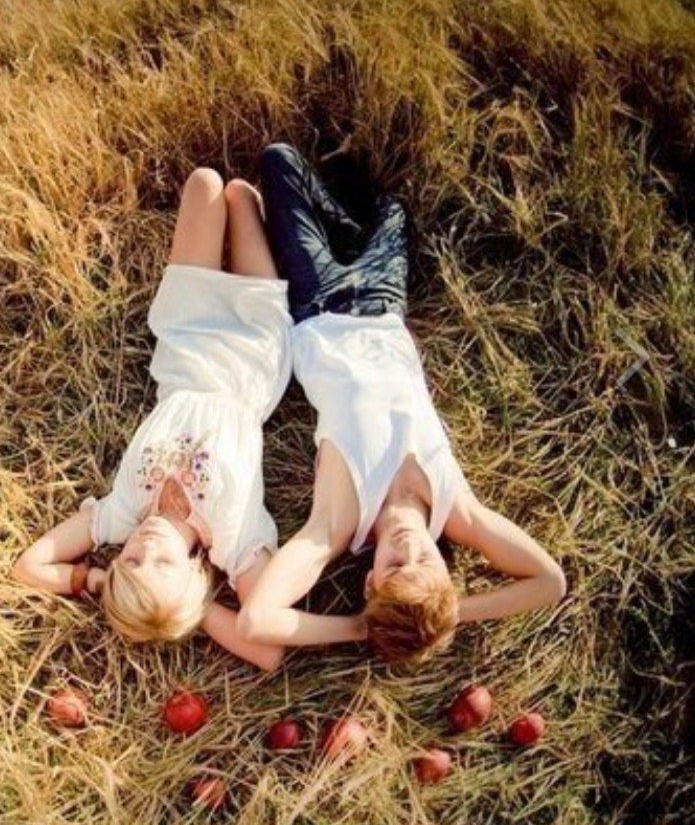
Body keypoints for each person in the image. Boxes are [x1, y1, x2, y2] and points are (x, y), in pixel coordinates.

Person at [238, 143, 567, 664]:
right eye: (427, 563)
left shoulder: (338, 523)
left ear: (370, 581)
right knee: (392, 209)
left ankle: (338, 223)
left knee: (278, 161)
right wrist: (449, 612)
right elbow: (550, 582)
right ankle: (347, 221)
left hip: (316, 301)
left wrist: (363, 626)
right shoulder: (456, 510)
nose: (409, 545)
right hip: (384, 300)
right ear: (446, 574)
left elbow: (256, 619)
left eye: (394, 566)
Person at [12, 168, 291, 671]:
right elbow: (269, 650)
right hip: (253, 357)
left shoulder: (121, 513)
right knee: (239, 197)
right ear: (193, 575)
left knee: (204, 184)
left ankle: (236, 222)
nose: (145, 547)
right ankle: (251, 220)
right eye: (161, 563)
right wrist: (195, 612)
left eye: (131, 562)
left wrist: (94, 580)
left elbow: (28, 567)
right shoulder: (234, 539)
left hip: (186, 341)